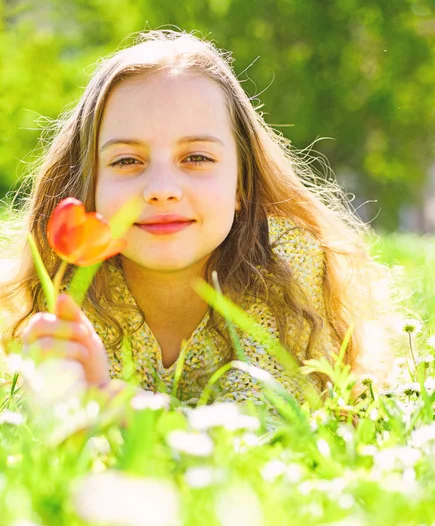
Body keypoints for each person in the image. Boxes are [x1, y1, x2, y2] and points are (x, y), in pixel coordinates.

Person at [0, 30, 389, 408]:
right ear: (88, 184)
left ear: (241, 183)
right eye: (127, 160)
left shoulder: (285, 261)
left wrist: (106, 403)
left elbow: (259, 427)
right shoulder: (68, 284)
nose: (162, 189)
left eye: (197, 158)